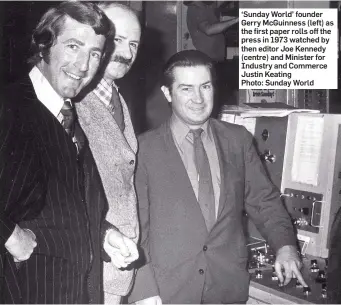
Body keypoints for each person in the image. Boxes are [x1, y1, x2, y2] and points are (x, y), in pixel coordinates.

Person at [128, 50, 307, 304]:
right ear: (167, 93)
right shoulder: (142, 149)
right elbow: (137, 228)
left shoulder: (238, 139)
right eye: (186, 89)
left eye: (205, 86)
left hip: (227, 288)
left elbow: (263, 201)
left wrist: (286, 246)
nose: (198, 98)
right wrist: (143, 290)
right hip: (168, 292)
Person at [0, 2, 112, 303]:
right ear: (44, 44)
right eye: (74, 46)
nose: (83, 65)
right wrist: (8, 233)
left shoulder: (69, 116)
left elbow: (61, 207)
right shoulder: (9, 105)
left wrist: (105, 235)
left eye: (95, 54)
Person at [75, 2, 141, 304]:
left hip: (115, 269)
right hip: (87, 269)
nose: (126, 53)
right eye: (117, 40)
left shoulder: (117, 98)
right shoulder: (72, 102)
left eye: (133, 44)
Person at [185, 1, 239, 115]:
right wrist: (237, 20)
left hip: (217, 61)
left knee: (225, 95)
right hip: (208, 62)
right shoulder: (195, 10)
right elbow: (209, 30)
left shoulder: (207, 6)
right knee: (218, 100)